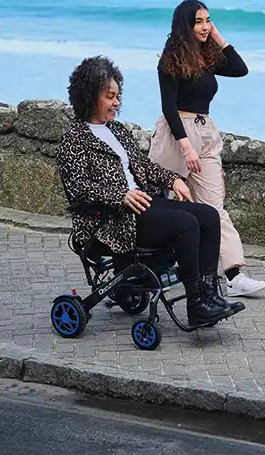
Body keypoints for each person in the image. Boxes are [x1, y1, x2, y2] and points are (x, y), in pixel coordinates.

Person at [56, 55, 244, 327]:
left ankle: (209, 296)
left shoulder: (116, 130)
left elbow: (143, 166)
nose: (117, 103)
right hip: (113, 219)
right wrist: (119, 196)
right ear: (90, 96)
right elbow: (79, 188)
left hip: (143, 204)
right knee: (186, 224)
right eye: (110, 97)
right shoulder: (73, 140)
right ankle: (195, 304)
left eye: (117, 96)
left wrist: (172, 180)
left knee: (208, 215)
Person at [148, 0, 265, 298]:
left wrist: (217, 36)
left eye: (208, 20)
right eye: (199, 22)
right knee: (154, 202)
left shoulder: (207, 56)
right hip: (176, 135)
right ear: (185, 25)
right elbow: (168, 107)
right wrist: (186, 147)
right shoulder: (170, 59)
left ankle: (233, 275)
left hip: (205, 132)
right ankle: (140, 271)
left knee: (215, 207)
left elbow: (241, 69)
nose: (204, 26)